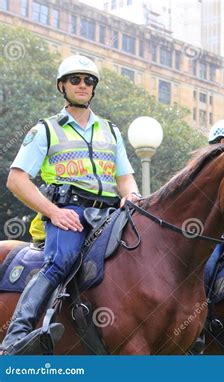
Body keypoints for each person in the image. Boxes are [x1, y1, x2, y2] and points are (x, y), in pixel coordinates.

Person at [1, 55, 141, 355]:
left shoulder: (111, 130)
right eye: (74, 79)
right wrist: (54, 212)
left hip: (110, 213)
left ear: (94, 88)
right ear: (62, 86)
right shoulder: (45, 130)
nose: (82, 84)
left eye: (88, 80)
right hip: (69, 212)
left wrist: (131, 195)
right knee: (61, 260)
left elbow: (125, 178)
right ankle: (17, 335)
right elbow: (16, 179)